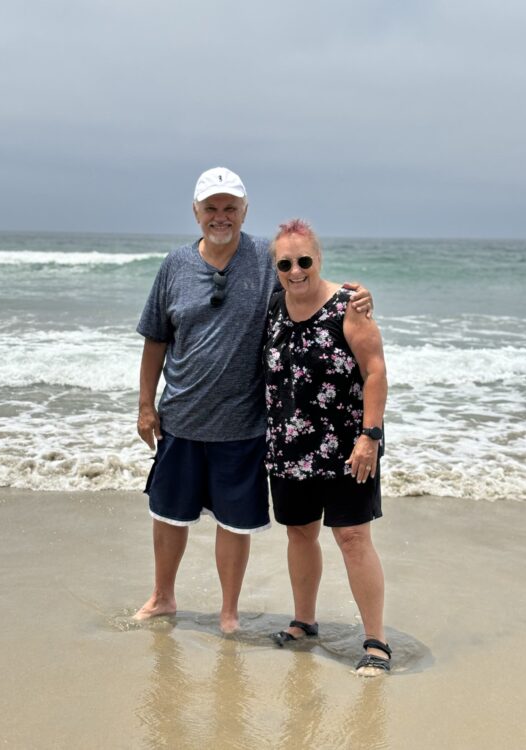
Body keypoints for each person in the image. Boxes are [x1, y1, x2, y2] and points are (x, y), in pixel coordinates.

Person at [134, 168, 372, 633]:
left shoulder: (267, 260)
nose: (220, 217)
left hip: (243, 423)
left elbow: (307, 276)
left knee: (233, 523)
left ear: (244, 212)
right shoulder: (174, 265)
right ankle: (163, 597)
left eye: (230, 208)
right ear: (196, 213)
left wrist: (356, 294)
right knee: (167, 515)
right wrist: (146, 405)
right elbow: (155, 339)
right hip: (180, 417)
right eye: (211, 209)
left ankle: (228, 612)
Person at [264, 218, 391, 675]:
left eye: (304, 261)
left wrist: (369, 437)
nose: (295, 270)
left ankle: (376, 642)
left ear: (319, 259)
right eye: (284, 263)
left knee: (353, 538)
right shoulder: (273, 307)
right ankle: (304, 621)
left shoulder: (349, 307)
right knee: (299, 533)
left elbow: (375, 372)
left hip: (348, 445)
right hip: (289, 444)